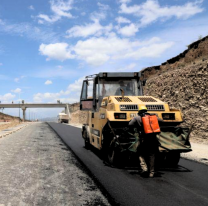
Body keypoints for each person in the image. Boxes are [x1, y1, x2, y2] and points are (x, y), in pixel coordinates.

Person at [129, 106, 162, 178]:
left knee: (141, 153)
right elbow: (162, 121)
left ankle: (144, 168)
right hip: (153, 139)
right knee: (152, 155)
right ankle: (151, 173)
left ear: (139, 111)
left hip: (143, 139)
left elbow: (130, 124)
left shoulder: (137, 118)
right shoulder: (153, 117)